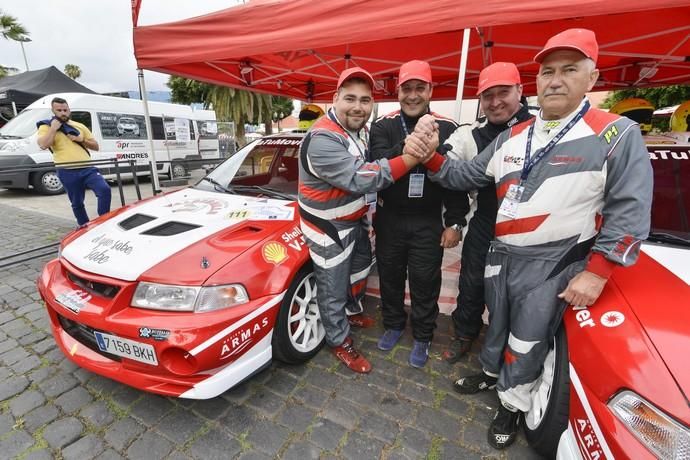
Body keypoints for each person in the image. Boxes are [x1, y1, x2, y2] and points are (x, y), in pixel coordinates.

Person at [405, 28, 653, 449]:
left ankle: (512, 404)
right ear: (536, 80)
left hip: (555, 263)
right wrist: (429, 156)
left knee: (528, 337)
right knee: (496, 323)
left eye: (569, 70)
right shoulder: (512, 136)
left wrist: (599, 271)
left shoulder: (616, 133)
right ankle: (490, 375)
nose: (555, 80)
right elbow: (466, 176)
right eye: (548, 71)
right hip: (502, 254)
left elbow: (629, 209)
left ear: (591, 79)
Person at [297, 67, 419, 373]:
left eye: (365, 100)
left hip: (354, 219)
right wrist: (412, 157)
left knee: (361, 267)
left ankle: (349, 312)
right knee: (332, 286)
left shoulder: (359, 130)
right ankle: (338, 340)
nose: (358, 106)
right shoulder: (321, 138)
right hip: (327, 226)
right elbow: (362, 177)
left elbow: (370, 162)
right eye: (350, 98)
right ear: (335, 99)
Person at [369, 60, 469, 368]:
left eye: (419, 88)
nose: (413, 95)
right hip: (390, 218)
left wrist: (455, 221)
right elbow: (377, 162)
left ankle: (424, 334)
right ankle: (394, 324)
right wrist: (409, 146)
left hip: (428, 219)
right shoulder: (382, 125)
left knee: (426, 280)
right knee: (390, 276)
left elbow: (454, 181)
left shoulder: (449, 126)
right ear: (398, 91)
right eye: (407, 89)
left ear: (430, 90)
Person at [441, 62, 534, 364]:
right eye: (487, 95)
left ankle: (507, 348)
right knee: (471, 285)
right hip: (484, 223)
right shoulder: (470, 134)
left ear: (520, 90)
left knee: (514, 295)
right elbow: (448, 166)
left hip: (528, 229)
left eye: (503, 93)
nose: (495, 102)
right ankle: (464, 335)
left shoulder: (542, 129)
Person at [37, 97, 111, 227]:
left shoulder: (79, 126)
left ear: (69, 110)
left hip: (88, 168)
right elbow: (43, 145)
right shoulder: (46, 126)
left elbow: (95, 146)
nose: (63, 113)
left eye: (65, 110)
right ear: (53, 111)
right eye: (59, 110)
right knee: (77, 202)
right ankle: (84, 226)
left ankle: (103, 222)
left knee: (104, 190)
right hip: (66, 170)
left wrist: (80, 139)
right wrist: (53, 129)